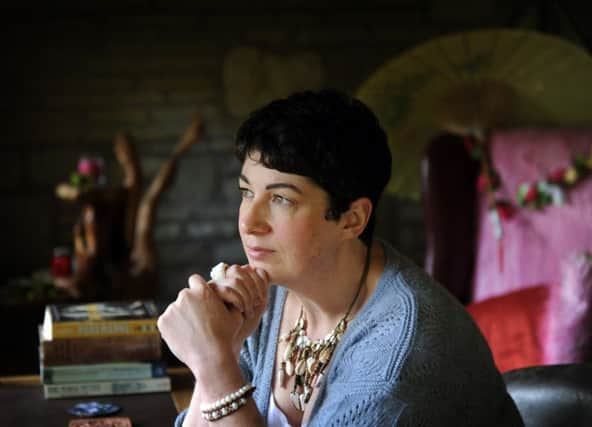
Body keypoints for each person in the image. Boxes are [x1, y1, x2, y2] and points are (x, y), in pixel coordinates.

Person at [158, 90, 523, 426]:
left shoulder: (396, 363)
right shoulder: (269, 296)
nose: (249, 223)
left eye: (281, 199)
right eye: (246, 192)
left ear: (352, 219)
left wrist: (213, 362)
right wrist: (228, 345)